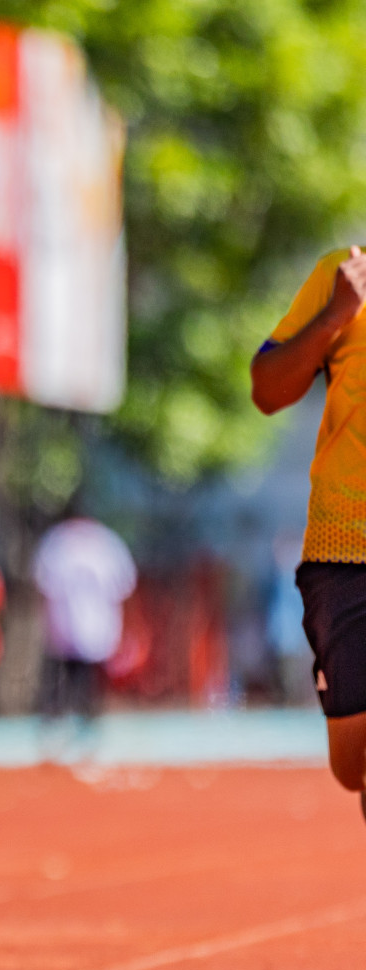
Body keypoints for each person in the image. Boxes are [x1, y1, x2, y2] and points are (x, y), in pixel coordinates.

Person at [252, 245, 366, 814]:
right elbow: (266, 391)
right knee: (354, 765)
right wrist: (335, 316)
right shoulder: (343, 274)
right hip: (346, 551)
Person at [32, 516, 136, 722]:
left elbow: (123, 586)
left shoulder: (105, 544)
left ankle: (86, 718)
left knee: (90, 679)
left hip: (95, 627)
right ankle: (62, 718)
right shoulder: (58, 543)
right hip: (66, 628)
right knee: (65, 676)